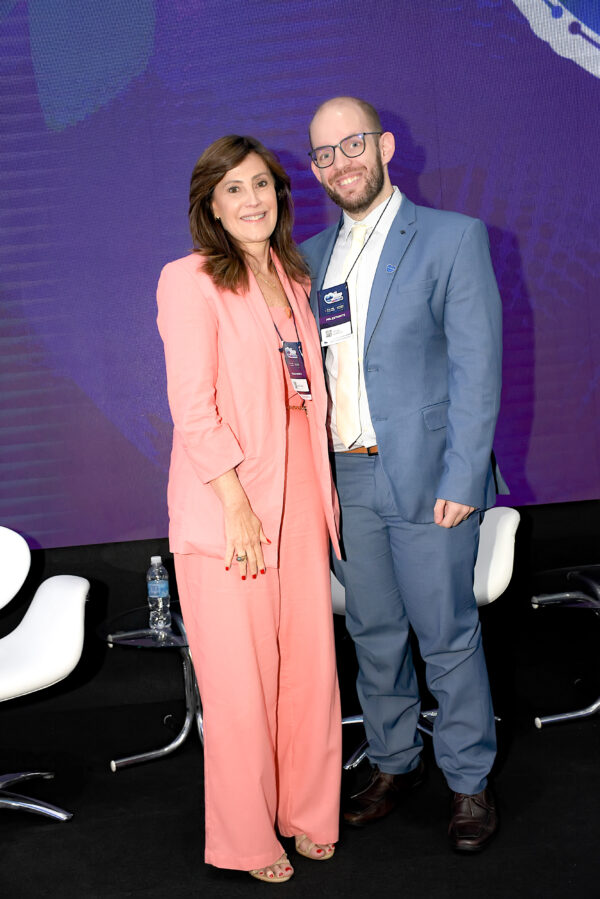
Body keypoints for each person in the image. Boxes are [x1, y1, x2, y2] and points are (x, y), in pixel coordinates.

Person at [301, 97, 506, 852]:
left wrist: (462, 477)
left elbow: (477, 367)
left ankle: (469, 780)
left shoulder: (452, 237)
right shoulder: (309, 258)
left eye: (353, 144)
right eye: (325, 154)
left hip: (428, 475)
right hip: (346, 478)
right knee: (374, 633)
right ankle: (393, 763)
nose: (342, 163)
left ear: (385, 146)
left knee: (445, 633)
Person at [156, 135, 342, 882]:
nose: (251, 199)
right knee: (240, 684)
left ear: (280, 194)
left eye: (261, 184)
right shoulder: (189, 279)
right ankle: (246, 839)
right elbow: (192, 408)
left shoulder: (294, 277)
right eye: (233, 188)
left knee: (309, 670)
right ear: (211, 204)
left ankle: (308, 812)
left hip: (302, 499)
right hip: (229, 508)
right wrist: (235, 502)